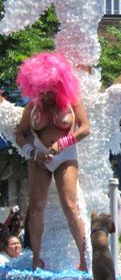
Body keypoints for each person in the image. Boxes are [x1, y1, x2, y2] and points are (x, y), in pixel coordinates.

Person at [14, 52, 91, 270]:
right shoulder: (33, 106)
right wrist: (32, 152)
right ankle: (36, 258)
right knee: (36, 206)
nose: (46, 95)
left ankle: (84, 258)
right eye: (42, 90)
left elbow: (85, 128)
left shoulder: (72, 103)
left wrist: (65, 142)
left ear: (59, 84)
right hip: (38, 157)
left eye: (50, 90)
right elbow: (20, 135)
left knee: (70, 205)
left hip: (65, 156)